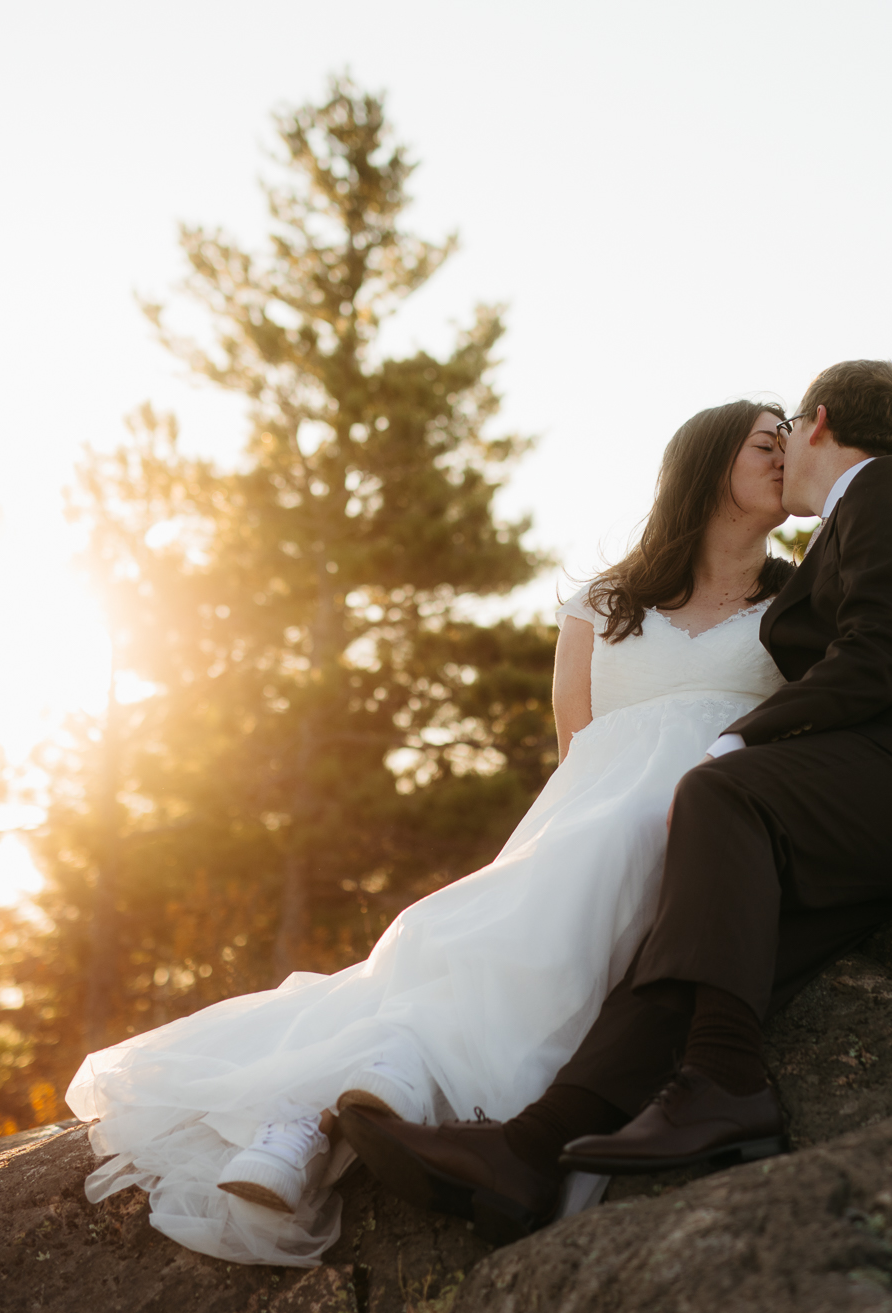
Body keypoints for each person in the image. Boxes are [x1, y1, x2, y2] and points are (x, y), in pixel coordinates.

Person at [341, 360, 892, 1244]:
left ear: (817, 423)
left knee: (726, 795)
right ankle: (529, 1154)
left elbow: (882, 656)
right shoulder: (853, 526)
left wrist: (737, 741)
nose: (778, 462)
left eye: (783, 440)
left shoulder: (890, 489)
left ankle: (727, 1084)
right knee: (701, 953)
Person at [65, 399, 799, 1264]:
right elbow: (577, 748)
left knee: (581, 890)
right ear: (711, 463)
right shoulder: (602, 601)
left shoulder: (799, 598)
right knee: (466, 925)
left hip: (704, 818)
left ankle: (348, 1099)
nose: (789, 456)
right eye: (767, 443)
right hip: (585, 816)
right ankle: (318, 1113)